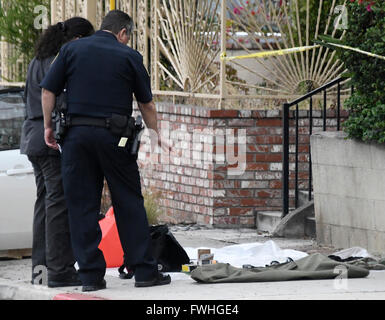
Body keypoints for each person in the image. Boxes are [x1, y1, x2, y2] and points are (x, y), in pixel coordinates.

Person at [40, 10, 171, 292]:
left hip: (76, 139)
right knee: (128, 202)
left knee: (81, 206)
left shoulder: (71, 50)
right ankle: (145, 272)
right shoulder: (129, 56)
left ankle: (90, 276)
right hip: (116, 139)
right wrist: (156, 134)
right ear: (123, 33)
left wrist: (48, 128)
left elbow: (48, 91)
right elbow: (146, 104)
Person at [20, 17, 95, 287]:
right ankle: (59, 270)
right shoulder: (61, 60)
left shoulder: (38, 58)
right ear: (76, 40)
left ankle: (40, 271)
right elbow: (57, 99)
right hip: (48, 140)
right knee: (58, 204)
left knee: (45, 203)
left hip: (31, 139)